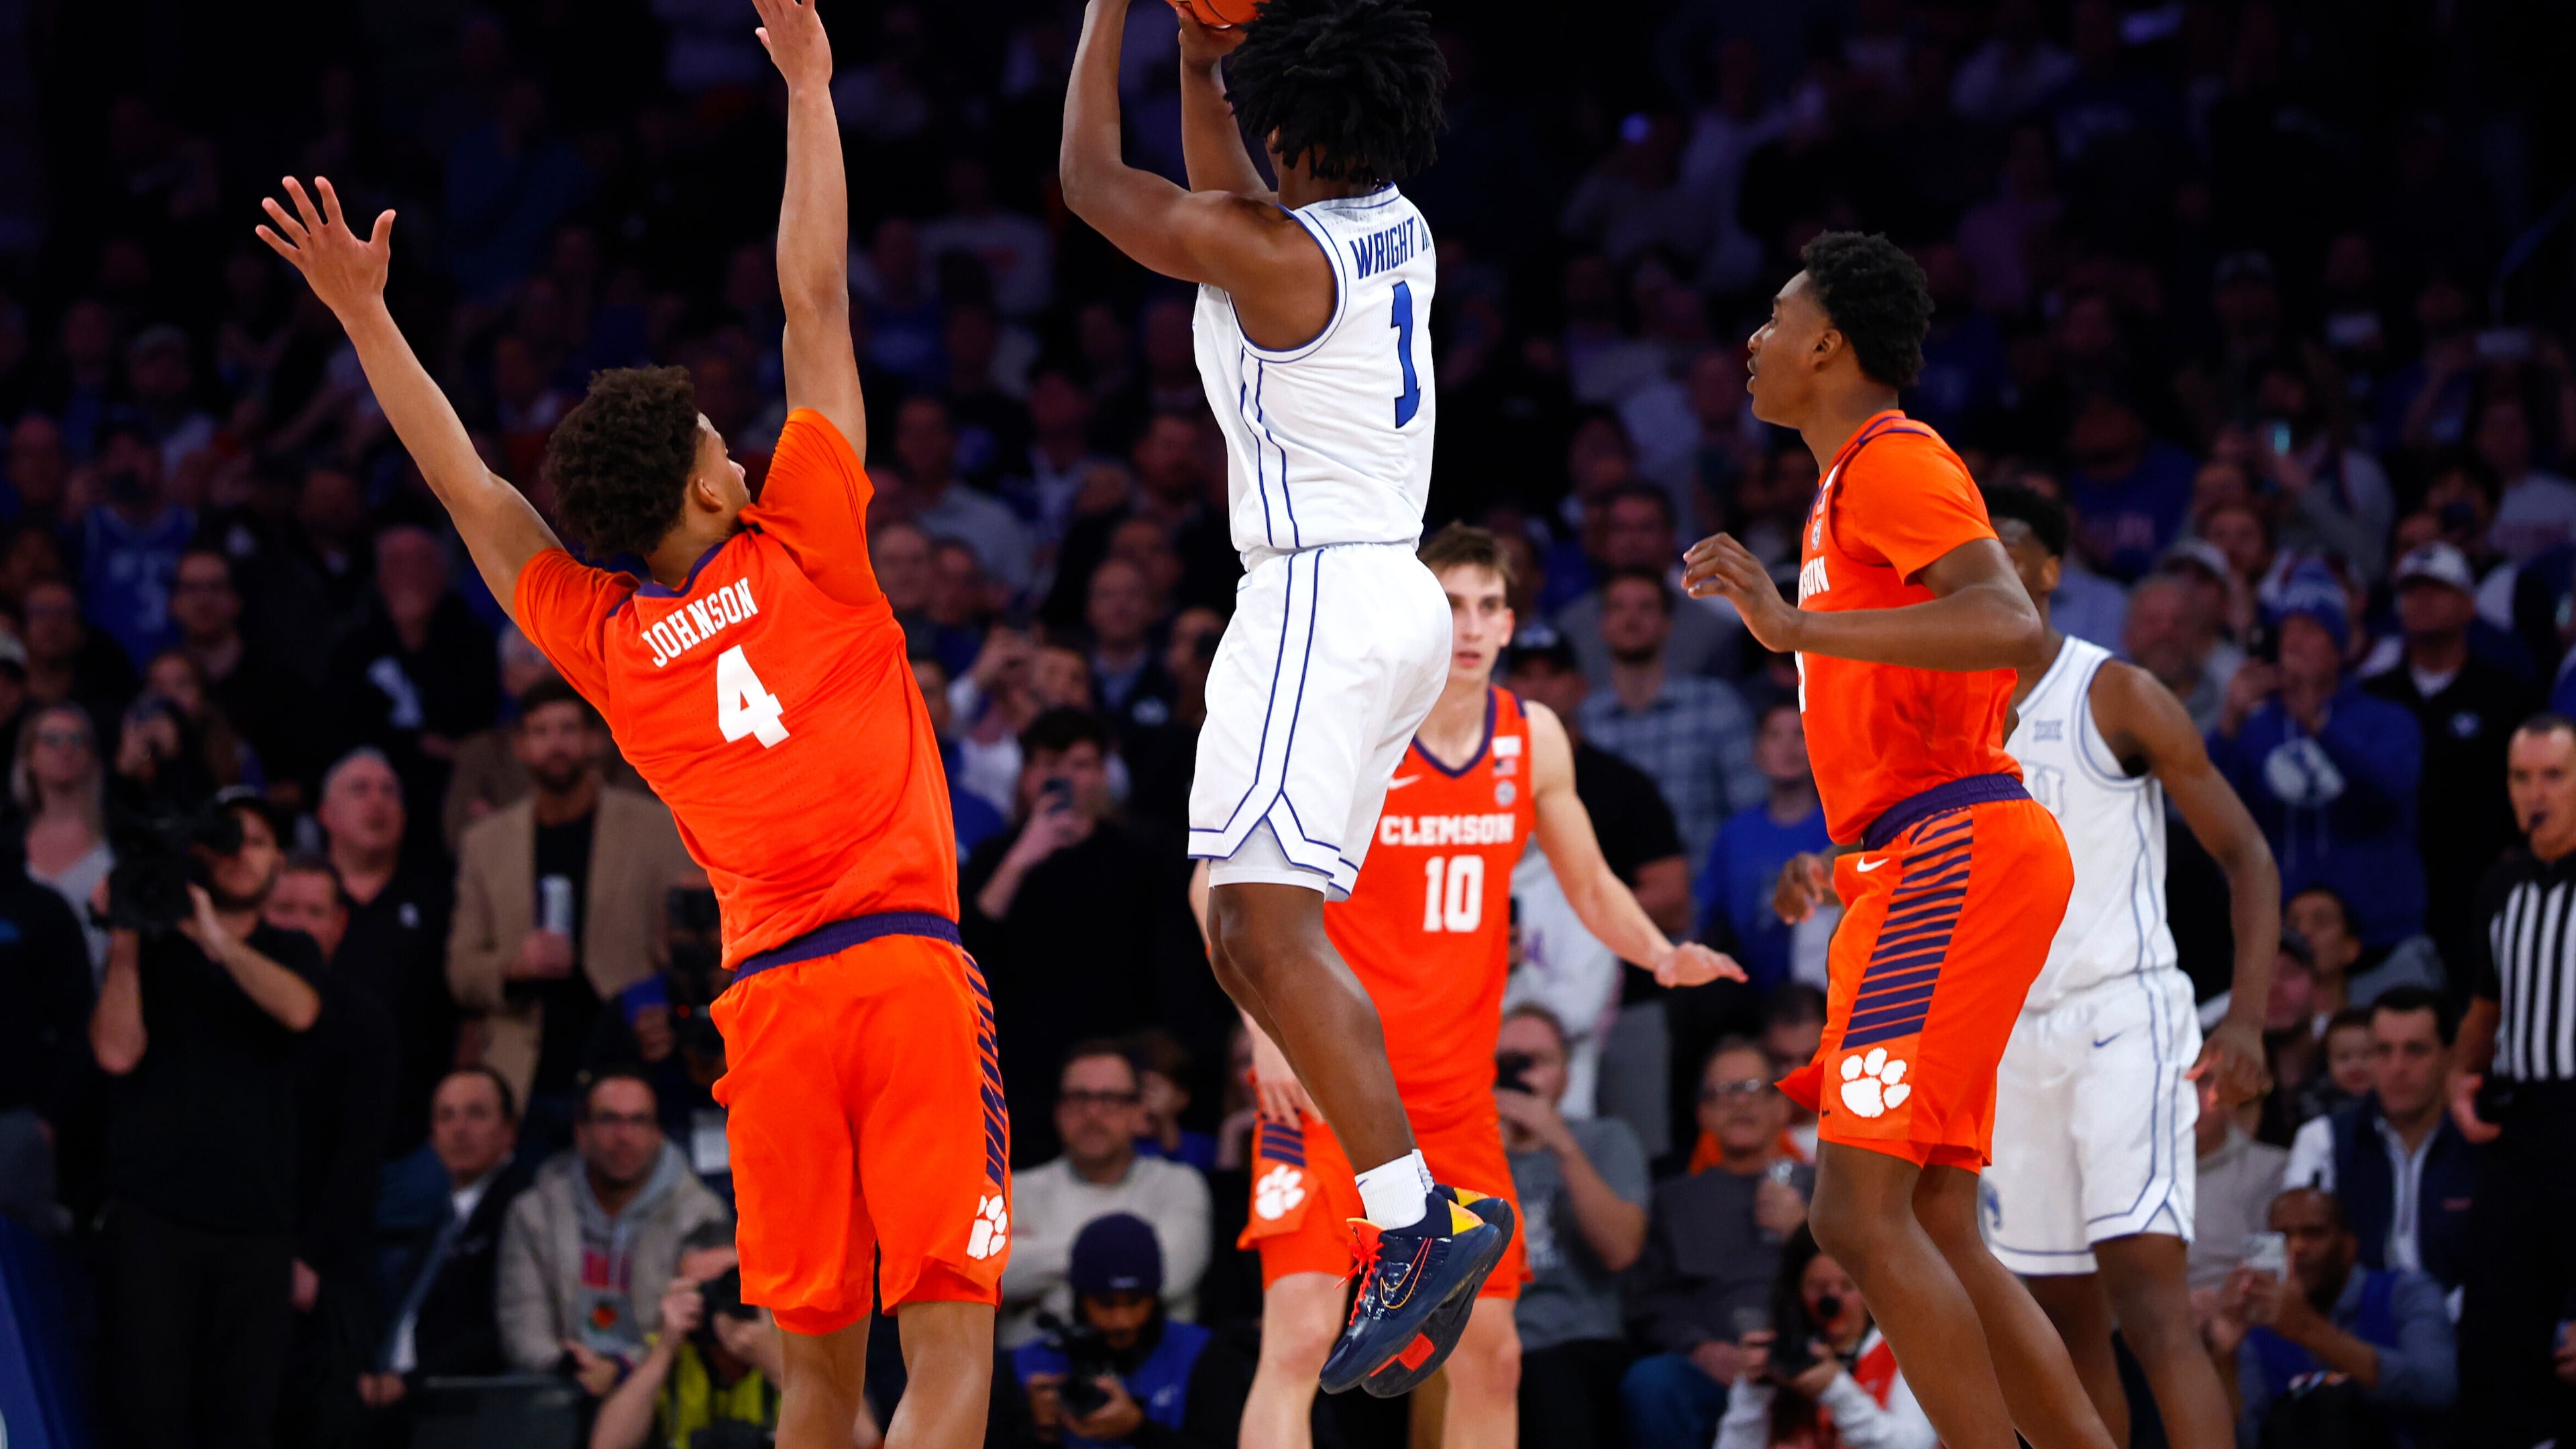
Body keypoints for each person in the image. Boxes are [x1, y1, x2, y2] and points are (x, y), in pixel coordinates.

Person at [259, 0, 1010, 1439]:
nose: (743, 439)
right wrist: (808, 86)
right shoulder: (814, 546)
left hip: (769, 1012)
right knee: (953, 1363)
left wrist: (363, 313)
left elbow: (472, 491)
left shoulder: (608, 641)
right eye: (726, 442)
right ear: (718, 493)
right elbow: (817, 301)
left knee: (818, 1384)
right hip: (906, 974)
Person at [1061, 0, 1509, 1389]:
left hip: (1317, 599)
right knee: (1263, 929)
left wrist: (1111, 13)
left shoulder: (1271, 257)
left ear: (1300, 136)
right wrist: (1203, 61)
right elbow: (1234, 192)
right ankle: (1411, 1212)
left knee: (1254, 933)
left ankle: (1410, 1219)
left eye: (1266, 120)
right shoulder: (1394, 225)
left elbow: (1091, 185)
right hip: (1392, 604)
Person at [1681, 232, 2104, 1449]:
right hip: (1920, 854)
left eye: (1774, 318)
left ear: (1828, 342)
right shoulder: (1842, 487)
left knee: (1856, 1220)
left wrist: (1792, 626)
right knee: (1932, 1219)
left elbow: (2011, 624)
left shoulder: (1891, 460)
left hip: (1952, 849)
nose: (1753, 342)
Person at [1222, 525, 1735, 1441]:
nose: (1467, 625)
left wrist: (1660, 953)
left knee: (1494, 1357)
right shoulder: (1355, 722)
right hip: (1337, 1091)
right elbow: (1219, 883)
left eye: (1487, 607)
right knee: (1299, 1337)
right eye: (1449, 605)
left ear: (1510, 625)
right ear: (1414, 616)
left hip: (1457, 1108)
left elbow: (1589, 881)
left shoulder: (1531, 737)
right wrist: (1264, 1031)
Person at [1900, 481, 2272, 1449]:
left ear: (2050, 570)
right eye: (1968, 549)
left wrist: (2247, 1021)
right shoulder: (1945, 720)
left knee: (2152, 1303)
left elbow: (2248, 856)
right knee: (2057, 1323)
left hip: (2122, 1019)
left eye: (2007, 545)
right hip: (2009, 1039)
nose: (1985, 563)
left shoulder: (2113, 691)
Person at [87, 788, 326, 1449]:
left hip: (254, 1228)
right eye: (225, 840)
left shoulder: (292, 949)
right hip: (154, 1220)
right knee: (148, 1417)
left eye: (255, 841)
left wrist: (212, 934)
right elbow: (114, 1051)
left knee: (243, 1422)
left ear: (279, 861)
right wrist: (130, 936)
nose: (239, 854)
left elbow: (300, 1012)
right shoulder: (154, 952)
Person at [449, 679, 695, 1146]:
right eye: (540, 732)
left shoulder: (657, 827)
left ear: (595, 740)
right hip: (526, 1074)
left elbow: (694, 942)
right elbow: (461, 969)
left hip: (631, 1065)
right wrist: (514, 967)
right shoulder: (486, 845)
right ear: (520, 747)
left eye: (567, 729)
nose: (555, 743)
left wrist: (673, 1009)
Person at [962, 708, 1194, 1165]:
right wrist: (1023, 855)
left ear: (1103, 775)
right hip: (1021, 1069)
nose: (1064, 777)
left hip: (1118, 1066)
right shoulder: (997, 855)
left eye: (1080, 765)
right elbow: (969, 945)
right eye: (1049, 764)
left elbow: (1172, 967)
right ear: (1026, 775)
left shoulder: (1141, 857)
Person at [2449, 712, 2576, 1445]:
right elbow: (2484, 1008)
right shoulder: (2501, 887)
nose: (2537, 793)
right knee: (2497, 1329)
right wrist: (2460, 1079)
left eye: (2554, 776)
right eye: (2523, 778)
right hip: (2521, 1122)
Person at [2208, 568, 2426, 952]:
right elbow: (2208, 811)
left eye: (2311, 631)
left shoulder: (2387, 719)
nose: (2294, 642)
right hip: (2284, 937)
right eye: (2288, 631)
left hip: (2377, 931)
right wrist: (2230, 720)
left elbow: (2389, 789)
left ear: (2340, 647)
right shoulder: (2259, 727)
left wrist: (2319, 725)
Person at [1621, 1038, 1813, 1449]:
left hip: (1813, 1364)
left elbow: (1866, 1284)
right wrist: (1701, 1350)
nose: (1740, 1105)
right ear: (1703, 1114)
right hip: (1714, 1373)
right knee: (1652, 1383)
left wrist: (1804, 1230)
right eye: (1725, 1093)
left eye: (1754, 1089)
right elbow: (1647, 1301)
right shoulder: (1673, 1200)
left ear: (1782, 1106)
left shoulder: (1823, 1190)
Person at [2361, 541, 2540, 977]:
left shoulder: (2507, 695)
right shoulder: (2374, 696)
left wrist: (2519, 853)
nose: (2422, 602)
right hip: (2389, 887)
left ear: (2468, 604)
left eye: (2437, 590)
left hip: (2478, 883)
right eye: (2412, 591)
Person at [496, 1073, 732, 1382]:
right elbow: (522, 1319)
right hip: (557, 1378)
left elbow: (693, 1324)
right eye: (609, 1120)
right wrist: (566, 1364)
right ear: (581, 1132)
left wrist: (620, 1368)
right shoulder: (534, 1213)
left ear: (658, 1133)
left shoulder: (700, 1213)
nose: (624, 1135)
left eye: (638, 1121)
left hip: (656, 1382)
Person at [1497, 1006, 1652, 1448]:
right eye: (1507, 1062)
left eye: (1537, 1061)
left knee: (1549, 1383)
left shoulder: (1603, 1140)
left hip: (1575, 1345)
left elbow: (1621, 1250)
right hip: (1487, 1342)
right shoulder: (1466, 1148)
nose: (1521, 1075)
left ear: (1566, 1073)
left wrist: (1559, 1143)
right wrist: (1484, 1147)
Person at [2205, 1187, 2456, 1448]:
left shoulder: (2404, 1293)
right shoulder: (2257, 1322)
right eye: (2282, 1237)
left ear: (2349, 1245)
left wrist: (2309, 1330)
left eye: (2313, 1233)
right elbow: (2249, 1439)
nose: (2297, 1247)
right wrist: (2224, 1360)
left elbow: (2437, 1387)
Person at [1001, 1044, 1212, 1346]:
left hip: (1154, 1382)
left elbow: (1173, 1275)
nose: (1093, 1113)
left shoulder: (1178, 1184)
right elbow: (992, 1277)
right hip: (1032, 1379)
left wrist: (1038, 1272)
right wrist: (1125, 1263)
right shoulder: (1015, 1190)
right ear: (1058, 1110)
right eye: (1079, 1098)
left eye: (1109, 1099)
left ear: (1139, 1111)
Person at [2280, 988, 2473, 1299]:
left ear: (2449, 1057)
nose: (2397, 1068)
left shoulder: (2482, 1140)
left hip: (2470, 1324)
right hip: (2353, 1327)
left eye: (2416, 1050)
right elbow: (2286, 1242)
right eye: (2383, 1051)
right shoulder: (2323, 1139)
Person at [315, 747, 458, 1157]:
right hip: (317, 1120)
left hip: (417, 1132)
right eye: (360, 790)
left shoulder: (439, 898)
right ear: (326, 814)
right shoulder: (298, 899)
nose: (378, 802)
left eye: (389, 791)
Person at [368, 1067, 537, 1405]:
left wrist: (409, 1383)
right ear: (432, 1134)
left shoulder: (521, 1209)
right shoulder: (442, 1217)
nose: (460, 1130)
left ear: (509, 1130)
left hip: (460, 1404)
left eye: (476, 1114)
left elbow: (500, 1330)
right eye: (447, 1116)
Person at [1578, 565, 1764, 871]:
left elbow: (1753, 815)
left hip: (1706, 901)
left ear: (1667, 622)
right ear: (1602, 623)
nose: (1631, 618)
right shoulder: (1583, 721)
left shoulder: (1715, 706)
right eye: (1618, 607)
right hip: (1608, 902)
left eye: (1646, 607)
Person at [1014, 1213, 1254, 1449]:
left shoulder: (1203, 1355)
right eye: (1105, 1304)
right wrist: (1035, 1429)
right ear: (1080, 1300)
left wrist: (1138, 1429)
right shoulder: (1032, 1366)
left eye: (1135, 1301)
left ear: (1156, 1298)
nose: (1122, 1322)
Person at [1716, 1226, 1937, 1449]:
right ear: (1797, 1293)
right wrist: (1753, 1392)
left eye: (1847, 1286)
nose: (1833, 1301)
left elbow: (1916, 1444)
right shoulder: (1782, 1355)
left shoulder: (1902, 1354)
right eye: (1819, 1288)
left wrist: (1836, 1391)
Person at [590, 1222, 793, 1449]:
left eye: (733, 1281)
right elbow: (607, 1445)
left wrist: (777, 1366)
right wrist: (665, 1349)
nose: (722, 1297)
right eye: (706, 1288)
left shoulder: (791, 1347)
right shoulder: (670, 1347)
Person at [1700, 700, 1832, 992]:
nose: (1789, 747)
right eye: (1774, 735)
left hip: (1826, 985)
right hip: (1748, 990)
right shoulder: (1734, 834)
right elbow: (1710, 916)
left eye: (1800, 734)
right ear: (1758, 753)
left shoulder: (1840, 831)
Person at [15, 700, 112, 977]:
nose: (66, 749)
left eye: (76, 739)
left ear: (92, 754)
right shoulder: (8, 839)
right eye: (52, 739)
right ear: (28, 756)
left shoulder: (118, 835)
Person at [2188, 1077, 2288, 1293]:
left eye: (2204, 1083)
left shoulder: (2271, 1169)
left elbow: (2268, 1267)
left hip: (2235, 1307)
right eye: (2180, 1084)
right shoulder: (2134, 1176)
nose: (2191, 1099)